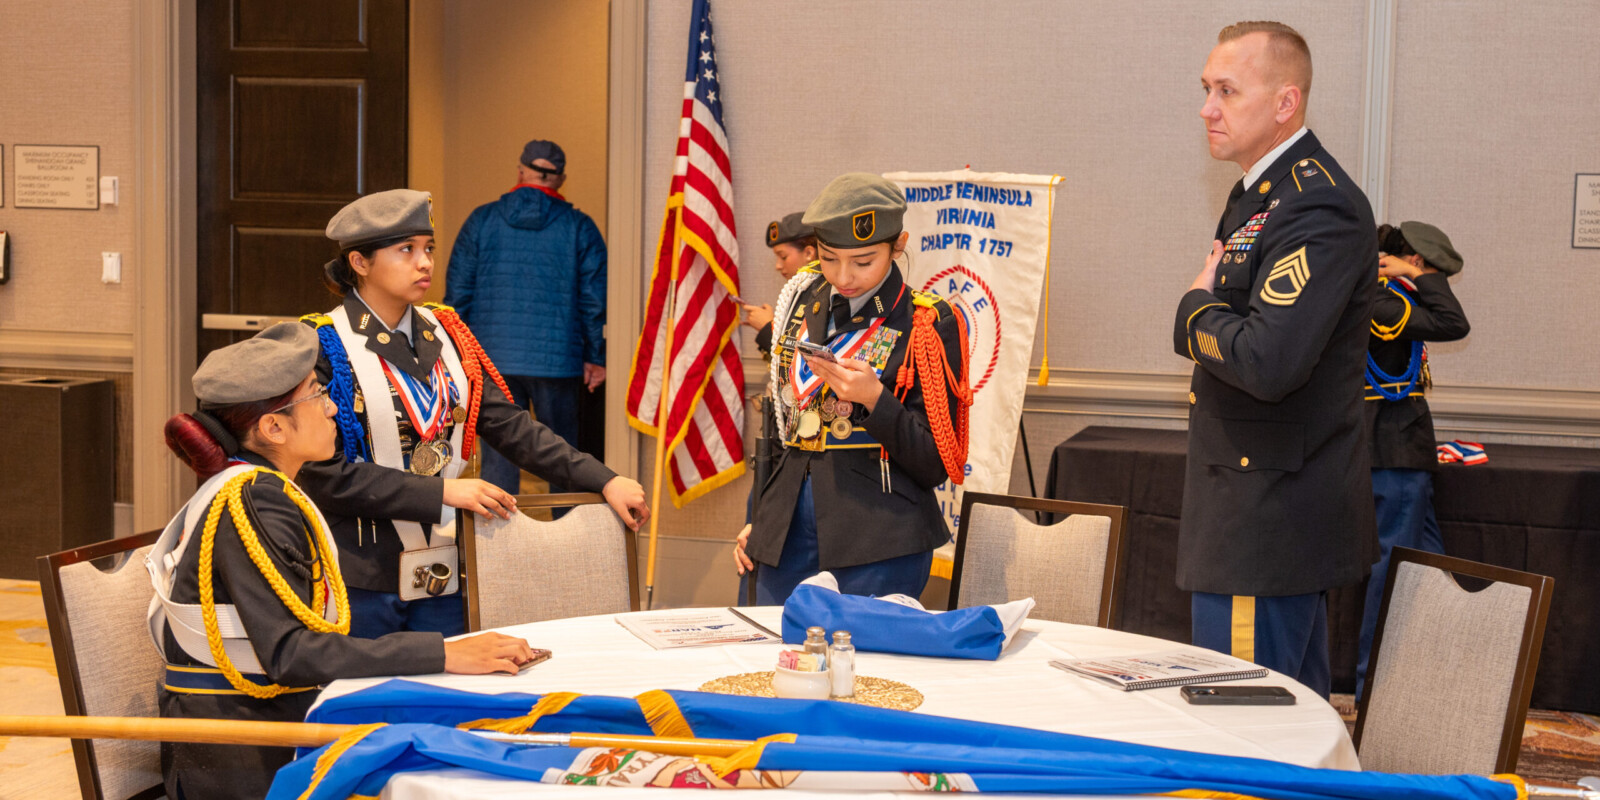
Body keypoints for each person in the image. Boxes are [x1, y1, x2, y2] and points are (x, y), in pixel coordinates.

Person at [150, 322, 538, 799]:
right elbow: (290, 654)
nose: (333, 406)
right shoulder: (253, 502)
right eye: (316, 395)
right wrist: (444, 652)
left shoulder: (262, 487)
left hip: (264, 720)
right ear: (273, 427)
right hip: (242, 749)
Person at [298, 188, 648, 640]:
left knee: (453, 700)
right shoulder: (322, 344)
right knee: (369, 706)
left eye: (428, 249)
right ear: (360, 263)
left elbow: (511, 426)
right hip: (363, 572)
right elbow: (321, 474)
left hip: (450, 565)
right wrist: (442, 492)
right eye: (406, 250)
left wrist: (603, 478)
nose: (424, 262)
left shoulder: (449, 333)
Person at [1173, 21, 1378, 698]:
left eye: (1227, 91)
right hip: (1254, 511)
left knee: (1247, 733)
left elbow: (1268, 361)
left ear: (1285, 104)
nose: (1207, 107)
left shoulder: (1314, 204)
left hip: (1266, 522)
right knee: (1289, 722)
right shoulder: (1260, 196)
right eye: (1207, 89)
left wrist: (1193, 311)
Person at [734, 173, 971, 604]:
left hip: (878, 540)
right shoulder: (800, 300)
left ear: (898, 246)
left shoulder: (925, 323)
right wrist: (764, 517)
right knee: (769, 661)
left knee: (867, 669)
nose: (844, 276)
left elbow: (937, 463)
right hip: (783, 535)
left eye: (863, 262)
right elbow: (786, 429)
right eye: (828, 258)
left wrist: (875, 401)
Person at [444, 139, 608, 495]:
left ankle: (500, 543)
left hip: (491, 360)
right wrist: (595, 357)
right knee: (563, 456)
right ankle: (568, 542)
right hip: (558, 363)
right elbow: (594, 301)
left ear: (520, 171)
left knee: (500, 453)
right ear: (560, 180)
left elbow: (457, 297)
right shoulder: (580, 228)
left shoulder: (481, 220)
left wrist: (455, 355)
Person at [1355, 221, 1470, 698]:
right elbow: (1453, 323)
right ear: (1415, 261)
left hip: (1405, 447)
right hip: (1392, 448)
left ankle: (1430, 676)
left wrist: (1411, 276)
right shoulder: (1385, 300)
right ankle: (1375, 685)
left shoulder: (1394, 295)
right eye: (1429, 269)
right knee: (1396, 572)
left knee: (1428, 567)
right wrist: (1413, 277)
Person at [741, 211, 819, 357]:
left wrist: (767, 327)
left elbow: (805, 359)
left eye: (783, 257)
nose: (778, 265)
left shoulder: (822, 295)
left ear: (809, 253)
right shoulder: (799, 292)